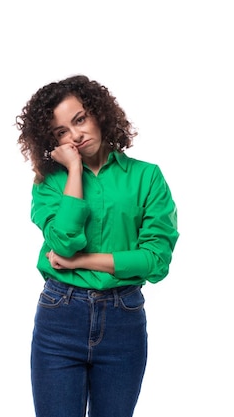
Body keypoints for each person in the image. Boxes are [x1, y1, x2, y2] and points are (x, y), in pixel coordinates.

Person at [15, 74, 179, 417]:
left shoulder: (146, 177)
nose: (75, 135)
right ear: (51, 140)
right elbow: (64, 240)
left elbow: (155, 262)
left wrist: (79, 262)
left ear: (99, 114)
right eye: (61, 132)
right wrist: (74, 168)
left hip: (124, 319)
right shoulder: (49, 183)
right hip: (60, 316)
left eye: (79, 120)